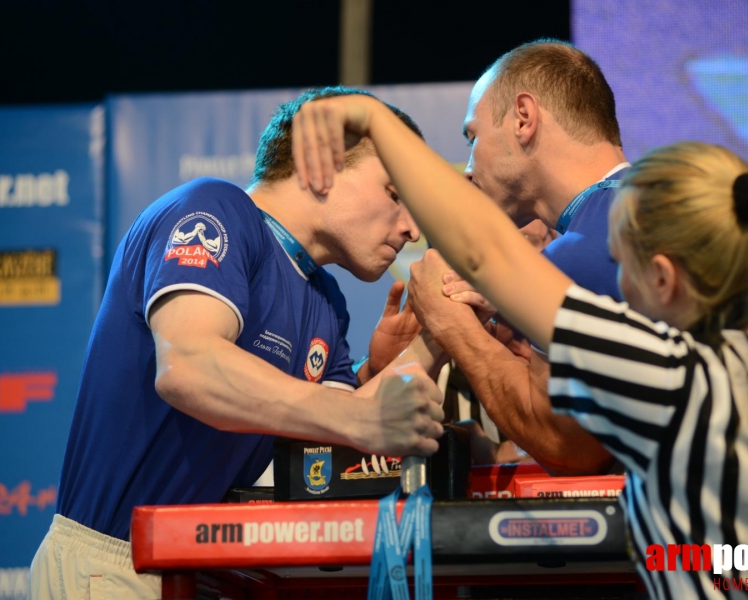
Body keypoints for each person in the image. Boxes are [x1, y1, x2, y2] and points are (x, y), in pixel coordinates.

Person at [291, 94, 748, 599]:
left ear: (660, 279)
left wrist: (373, 120)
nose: (614, 288)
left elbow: (483, 252)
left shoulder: (662, 379)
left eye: (619, 265)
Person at [29, 87, 446, 600]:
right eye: (395, 193)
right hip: (115, 564)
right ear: (322, 161)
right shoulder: (214, 209)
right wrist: (362, 413)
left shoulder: (323, 296)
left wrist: (430, 341)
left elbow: (329, 448)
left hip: (201, 568)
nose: (411, 227)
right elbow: (189, 367)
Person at [405, 39, 628, 475]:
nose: (468, 167)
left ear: (524, 118)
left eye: (473, 136)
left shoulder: (580, 250)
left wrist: (453, 325)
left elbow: (569, 449)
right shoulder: (650, 204)